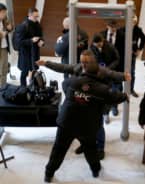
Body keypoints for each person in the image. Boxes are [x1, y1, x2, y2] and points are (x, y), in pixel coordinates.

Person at [43, 51, 128, 183]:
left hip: (66, 123)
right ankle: (95, 170)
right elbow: (117, 97)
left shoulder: (73, 81)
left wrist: (73, 98)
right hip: (86, 126)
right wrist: (126, 96)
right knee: (91, 149)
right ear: (97, 73)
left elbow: (65, 85)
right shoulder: (103, 89)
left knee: (59, 149)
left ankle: (48, 174)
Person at [100, 19, 125, 116]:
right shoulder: (101, 35)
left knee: (117, 87)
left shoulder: (122, 36)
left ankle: (115, 106)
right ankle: (105, 109)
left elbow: (124, 53)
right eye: (111, 26)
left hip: (117, 66)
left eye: (115, 26)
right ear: (107, 26)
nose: (113, 29)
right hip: (104, 67)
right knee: (104, 87)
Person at [16, 8, 44, 86]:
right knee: (24, 72)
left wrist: (42, 41)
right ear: (29, 15)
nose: (37, 18)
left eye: (37, 16)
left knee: (34, 71)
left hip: (35, 52)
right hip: (25, 53)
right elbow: (19, 42)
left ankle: (33, 89)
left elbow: (41, 36)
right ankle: (23, 89)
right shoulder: (22, 26)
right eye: (35, 16)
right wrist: (31, 41)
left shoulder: (38, 25)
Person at [120, 15, 145, 97]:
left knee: (132, 72)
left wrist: (139, 49)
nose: (133, 24)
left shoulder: (138, 30)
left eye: (134, 22)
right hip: (122, 54)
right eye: (131, 22)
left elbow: (144, 38)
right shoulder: (122, 30)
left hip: (133, 54)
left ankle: (131, 89)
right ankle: (120, 90)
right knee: (120, 72)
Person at [0, 3, 13, 88]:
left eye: (5, 12)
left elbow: (11, 28)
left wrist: (9, 28)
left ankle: (3, 87)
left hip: (4, 48)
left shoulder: (4, 20)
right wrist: (1, 35)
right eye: (4, 12)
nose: (5, 14)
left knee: (4, 69)